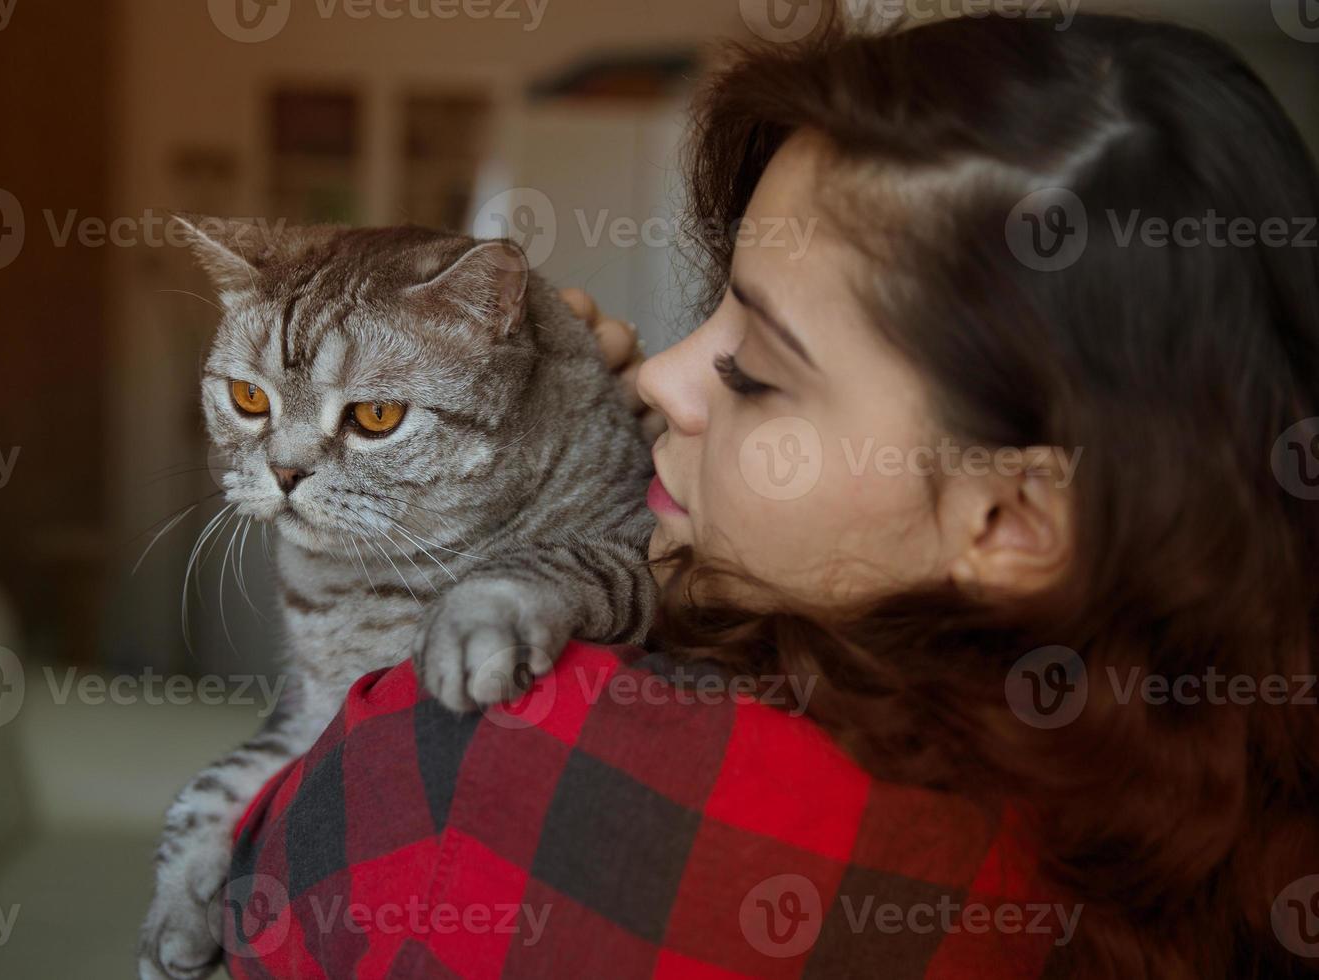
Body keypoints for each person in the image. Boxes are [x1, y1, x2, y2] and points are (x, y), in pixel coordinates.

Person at [220, 10, 1319, 978]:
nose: (656, 375)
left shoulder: (540, 770)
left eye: (755, 369)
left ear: (1010, 517)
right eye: (717, 313)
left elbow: (260, 874)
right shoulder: (1215, 798)